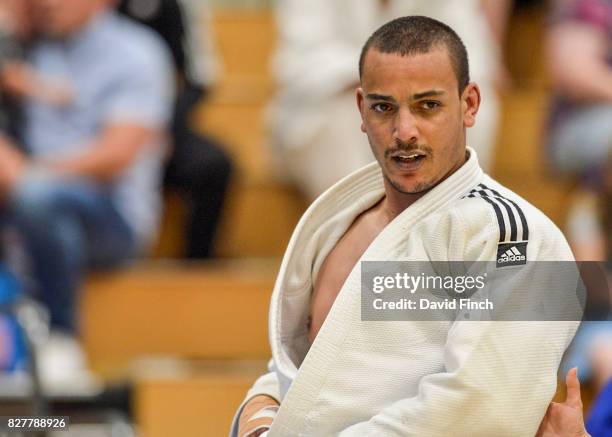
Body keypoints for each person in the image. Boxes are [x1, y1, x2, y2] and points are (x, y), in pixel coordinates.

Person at [232, 16, 581, 436]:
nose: (404, 131)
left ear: (469, 104)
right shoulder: (339, 222)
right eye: (384, 107)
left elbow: (482, 408)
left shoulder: (514, 235)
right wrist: (258, 416)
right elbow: (305, 377)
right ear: (361, 109)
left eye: (427, 106)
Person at [0, 0, 173, 389]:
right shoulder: (27, 44)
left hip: (111, 216)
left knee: (38, 198)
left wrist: (29, 174)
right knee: (33, 200)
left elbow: (117, 153)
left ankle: (61, 337)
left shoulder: (136, 51)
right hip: (26, 207)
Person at [269, 0, 510, 200]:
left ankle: (451, 218)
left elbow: (475, 56)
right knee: (346, 116)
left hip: (417, 96)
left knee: (473, 106)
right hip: (323, 108)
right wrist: (387, 80)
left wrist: (414, 87)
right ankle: (364, 233)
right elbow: (300, 62)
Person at [118, 0, 232, 258]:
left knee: (214, 165)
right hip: (100, 132)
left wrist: (166, 128)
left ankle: (197, 265)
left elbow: (199, 79)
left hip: (164, 126)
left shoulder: (180, 6)